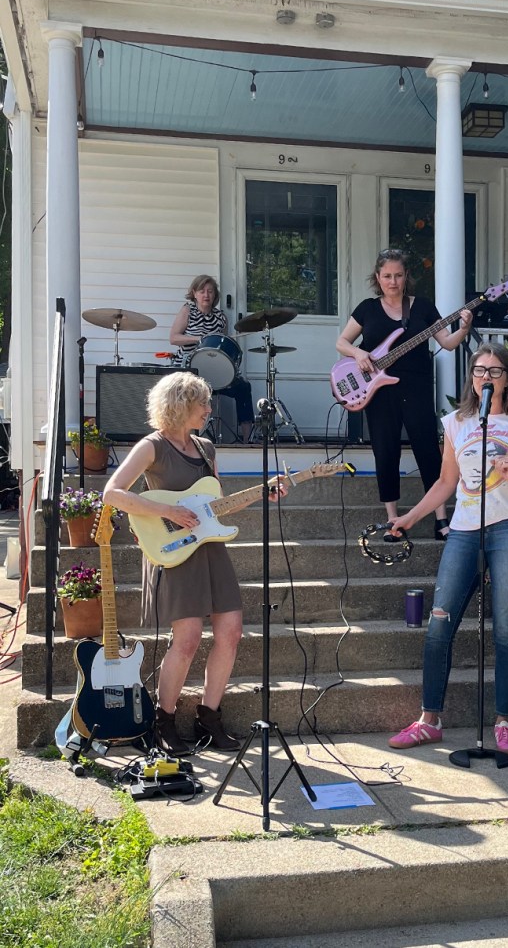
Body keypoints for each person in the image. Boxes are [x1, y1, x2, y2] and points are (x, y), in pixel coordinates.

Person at [387, 343, 508, 755]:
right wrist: (410, 518)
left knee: (504, 629)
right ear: (472, 377)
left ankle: (503, 720)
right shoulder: (457, 422)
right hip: (464, 529)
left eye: (495, 371)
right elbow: (446, 483)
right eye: (479, 370)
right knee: (439, 625)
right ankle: (430, 719)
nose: (486, 376)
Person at [103, 372, 286, 756]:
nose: (208, 409)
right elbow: (113, 493)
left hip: (209, 547)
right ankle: (164, 721)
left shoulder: (206, 448)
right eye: (202, 403)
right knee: (186, 641)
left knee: (231, 632)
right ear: (181, 405)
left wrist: (265, 492)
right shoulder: (152, 446)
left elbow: (215, 502)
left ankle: (209, 718)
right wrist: (167, 509)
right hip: (172, 548)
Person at [336, 249, 473, 541]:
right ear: (378, 278)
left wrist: (464, 328)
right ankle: (393, 520)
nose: (393, 281)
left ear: (406, 276)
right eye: (387, 276)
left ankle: (441, 519)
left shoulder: (422, 307)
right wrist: (359, 353)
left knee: (427, 449)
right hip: (379, 392)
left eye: (398, 275)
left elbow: (447, 343)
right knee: (385, 452)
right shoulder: (367, 309)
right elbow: (341, 342)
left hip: (417, 389)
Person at [170, 274, 254, 444]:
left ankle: (248, 439)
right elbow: (174, 338)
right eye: (202, 291)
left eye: (210, 291)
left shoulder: (220, 317)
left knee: (243, 387)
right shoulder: (188, 310)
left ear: (215, 295)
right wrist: (198, 338)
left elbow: (223, 348)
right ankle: (185, 438)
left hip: (215, 374)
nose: (206, 295)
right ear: (194, 293)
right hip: (190, 371)